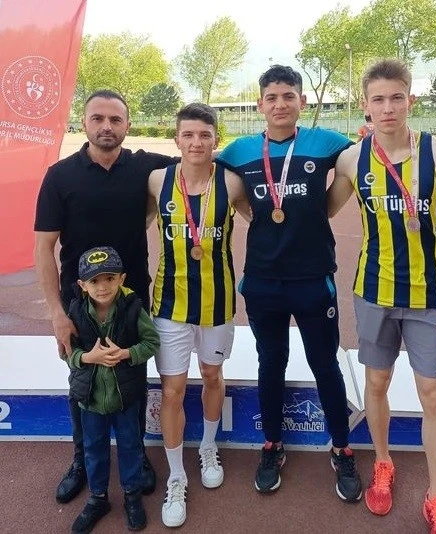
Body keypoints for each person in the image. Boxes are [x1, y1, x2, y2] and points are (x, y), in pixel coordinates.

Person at [215, 64, 436, 503]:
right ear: (260, 104)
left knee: (325, 364)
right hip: (262, 281)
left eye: (288, 96)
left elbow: (374, 161)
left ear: (302, 101)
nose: (280, 104)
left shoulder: (330, 144)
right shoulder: (238, 150)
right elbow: (207, 173)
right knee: (269, 364)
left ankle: (342, 449)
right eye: (271, 97)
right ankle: (271, 445)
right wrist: (252, 214)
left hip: (315, 278)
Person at [328, 58, 436, 534]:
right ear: (365, 105)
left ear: (411, 99)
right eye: (378, 99)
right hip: (373, 291)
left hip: (430, 295)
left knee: (434, 393)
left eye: (396, 97)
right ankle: (383, 462)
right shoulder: (352, 160)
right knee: (377, 383)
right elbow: (321, 209)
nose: (387, 108)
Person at [34, 90, 178, 504]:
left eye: (115, 119)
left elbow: (198, 158)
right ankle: (81, 460)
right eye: (97, 118)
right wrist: (57, 313)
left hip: (131, 299)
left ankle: (137, 456)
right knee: (82, 381)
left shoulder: (145, 167)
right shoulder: (59, 176)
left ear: (127, 125)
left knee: (133, 378)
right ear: (84, 123)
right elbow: (44, 248)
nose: (106, 127)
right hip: (78, 303)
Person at [148, 103, 250, 527]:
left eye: (204, 135)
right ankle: (176, 476)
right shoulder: (157, 180)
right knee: (172, 390)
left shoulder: (232, 182)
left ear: (215, 140)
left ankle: (208, 446)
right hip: (169, 306)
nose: (196, 142)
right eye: (187, 134)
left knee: (211, 376)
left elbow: (265, 220)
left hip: (218, 303)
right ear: (176, 139)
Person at [67, 246, 160, 533]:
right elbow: (66, 353)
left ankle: (132, 495)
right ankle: (98, 498)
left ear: (121, 279)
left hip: (125, 398)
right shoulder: (75, 311)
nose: (102, 286)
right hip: (90, 399)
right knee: (94, 449)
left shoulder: (133, 308)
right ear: (83, 285)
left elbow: (152, 343)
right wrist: (88, 357)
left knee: (131, 446)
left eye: (109, 278)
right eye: (94, 281)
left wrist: (126, 353)